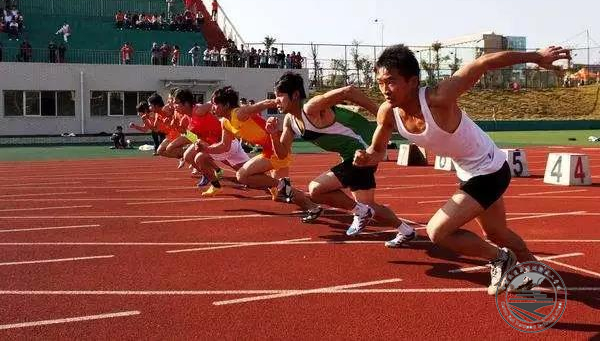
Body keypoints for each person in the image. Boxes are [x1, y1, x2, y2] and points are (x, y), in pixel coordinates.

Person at [353, 44, 570, 294]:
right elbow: (377, 151)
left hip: (490, 170)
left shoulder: (438, 98)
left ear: (412, 82)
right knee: (497, 233)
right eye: (380, 82)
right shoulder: (388, 112)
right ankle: (532, 268)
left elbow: (484, 62)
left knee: (438, 231)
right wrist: (365, 157)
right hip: (470, 173)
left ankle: (500, 259)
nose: (384, 89)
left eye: (391, 81)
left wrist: (536, 57)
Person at [269, 72, 415, 245]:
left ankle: (360, 211)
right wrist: (273, 135)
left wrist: (383, 115)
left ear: (294, 95)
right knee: (370, 206)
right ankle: (406, 230)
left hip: (363, 153)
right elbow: (282, 154)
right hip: (352, 158)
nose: (275, 101)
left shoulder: (311, 108)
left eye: (279, 96)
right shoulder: (289, 121)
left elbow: (349, 91)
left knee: (316, 189)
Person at [200, 86, 321, 217]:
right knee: (278, 195)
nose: (212, 107)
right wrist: (206, 148)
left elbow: (262, 104)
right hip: (268, 150)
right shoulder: (225, 122)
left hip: (276, 149)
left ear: (226, 105)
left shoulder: (239, 113)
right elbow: (224, 146)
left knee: (243, 176)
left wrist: (281, 101)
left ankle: (300, 197)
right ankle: (313, 205)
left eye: (215, 104)